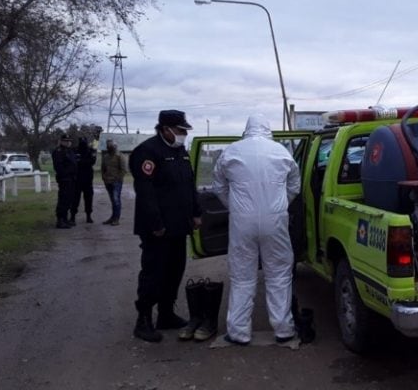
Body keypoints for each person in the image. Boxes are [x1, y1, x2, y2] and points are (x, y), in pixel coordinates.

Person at [212, 114, 301, 345]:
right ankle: (284, 329)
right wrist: (282, 205)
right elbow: (294, 185)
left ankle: (239, 332)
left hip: (242, 222)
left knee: (242, 275)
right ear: (267, 129)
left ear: (247, 128)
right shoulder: (281, 152)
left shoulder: (231, 151)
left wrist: (234, 206)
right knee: (280, 274)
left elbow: (218, 186)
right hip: (275, 221)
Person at [129, 110, 202, 342]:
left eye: (184, 131)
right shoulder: (147, 152)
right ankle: (143, 320)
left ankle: (166, 314)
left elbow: (189, 184)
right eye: (180, 131)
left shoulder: (180, 151)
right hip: (158, 228)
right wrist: (156, 224)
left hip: (179, 226)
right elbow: (146, 192)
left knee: (175, 271)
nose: (183, 135)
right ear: (165, 129)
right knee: (154, 273)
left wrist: (196, 213)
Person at [51, 133, 78, 229]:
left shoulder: (69, 151)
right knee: (63, 200)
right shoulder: (58, 151)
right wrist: (66, 173)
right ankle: (60, 220)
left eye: (69, 141)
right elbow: (58, 167)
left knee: (69, 200)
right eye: (66, 141)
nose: (68, 143)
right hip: (64, 179)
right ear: (62, 141)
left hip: (72, 179)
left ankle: (65, 219)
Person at [70, 136, 96, 225]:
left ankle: (89, 216)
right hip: (77, 179)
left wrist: (80, 161)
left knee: (89, 198)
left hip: (88, 179)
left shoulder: (91, 151)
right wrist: (84, 161)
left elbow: (92, 161)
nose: (83, 143)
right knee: (74, 199)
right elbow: (73, 161)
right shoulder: (74, 150)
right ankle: (72, 216)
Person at [100, 139, 126, 226]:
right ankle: (112, 217)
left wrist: (118, 179)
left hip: (116, 182)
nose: (109, 147)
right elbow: (103, 169)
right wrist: (104, 178)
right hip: (108, 182)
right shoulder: (106, 157)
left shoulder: (120, 156)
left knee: (116, 200)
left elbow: (123, 170)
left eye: (111, 146)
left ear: (115, 146)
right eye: (108, 146)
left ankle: (116, 219)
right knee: (112, 200)